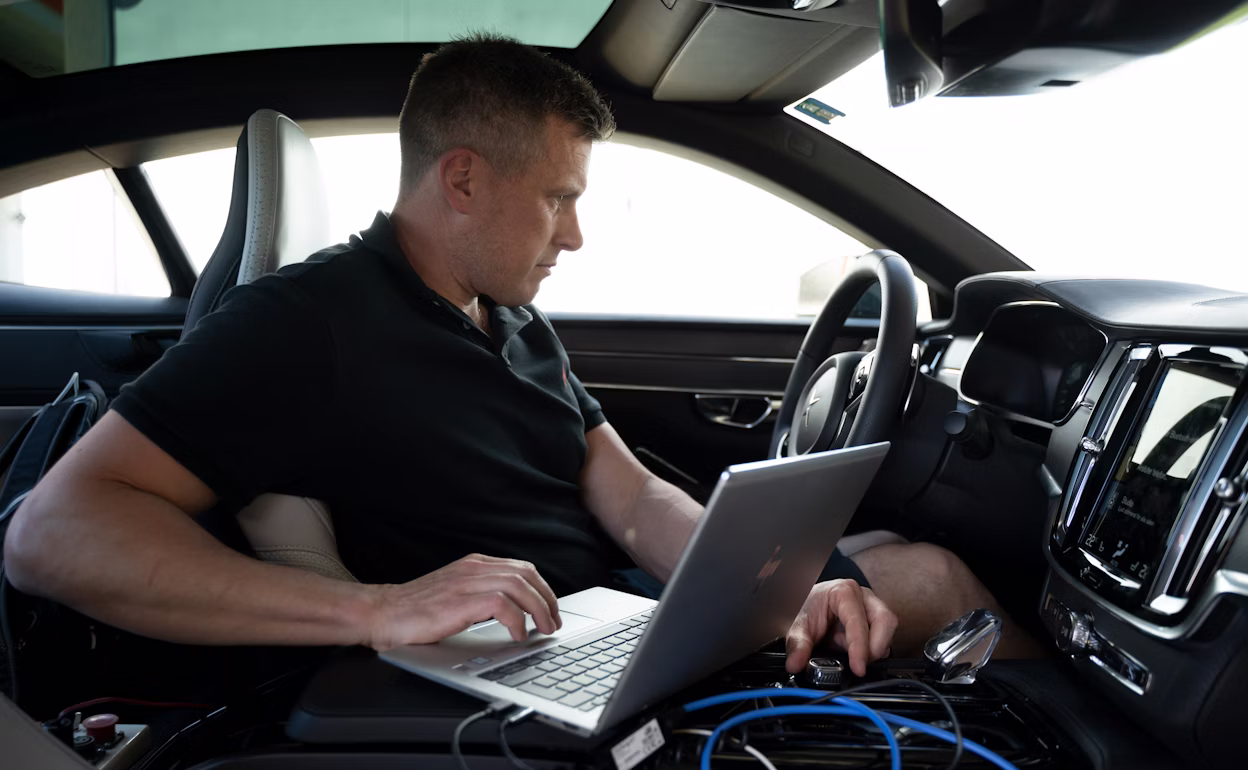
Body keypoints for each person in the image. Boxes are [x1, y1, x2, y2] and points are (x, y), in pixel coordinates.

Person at [3, 36, 1034, 693]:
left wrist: (772, 584)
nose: (574, 235)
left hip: (622, 624)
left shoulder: (509, 316)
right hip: (523, 674)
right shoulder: (308, 320)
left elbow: (631, 497)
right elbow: (51, 534)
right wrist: (375, 606)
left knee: (884, 550)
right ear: (462, 179)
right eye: (558, 197)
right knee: (933, 573)